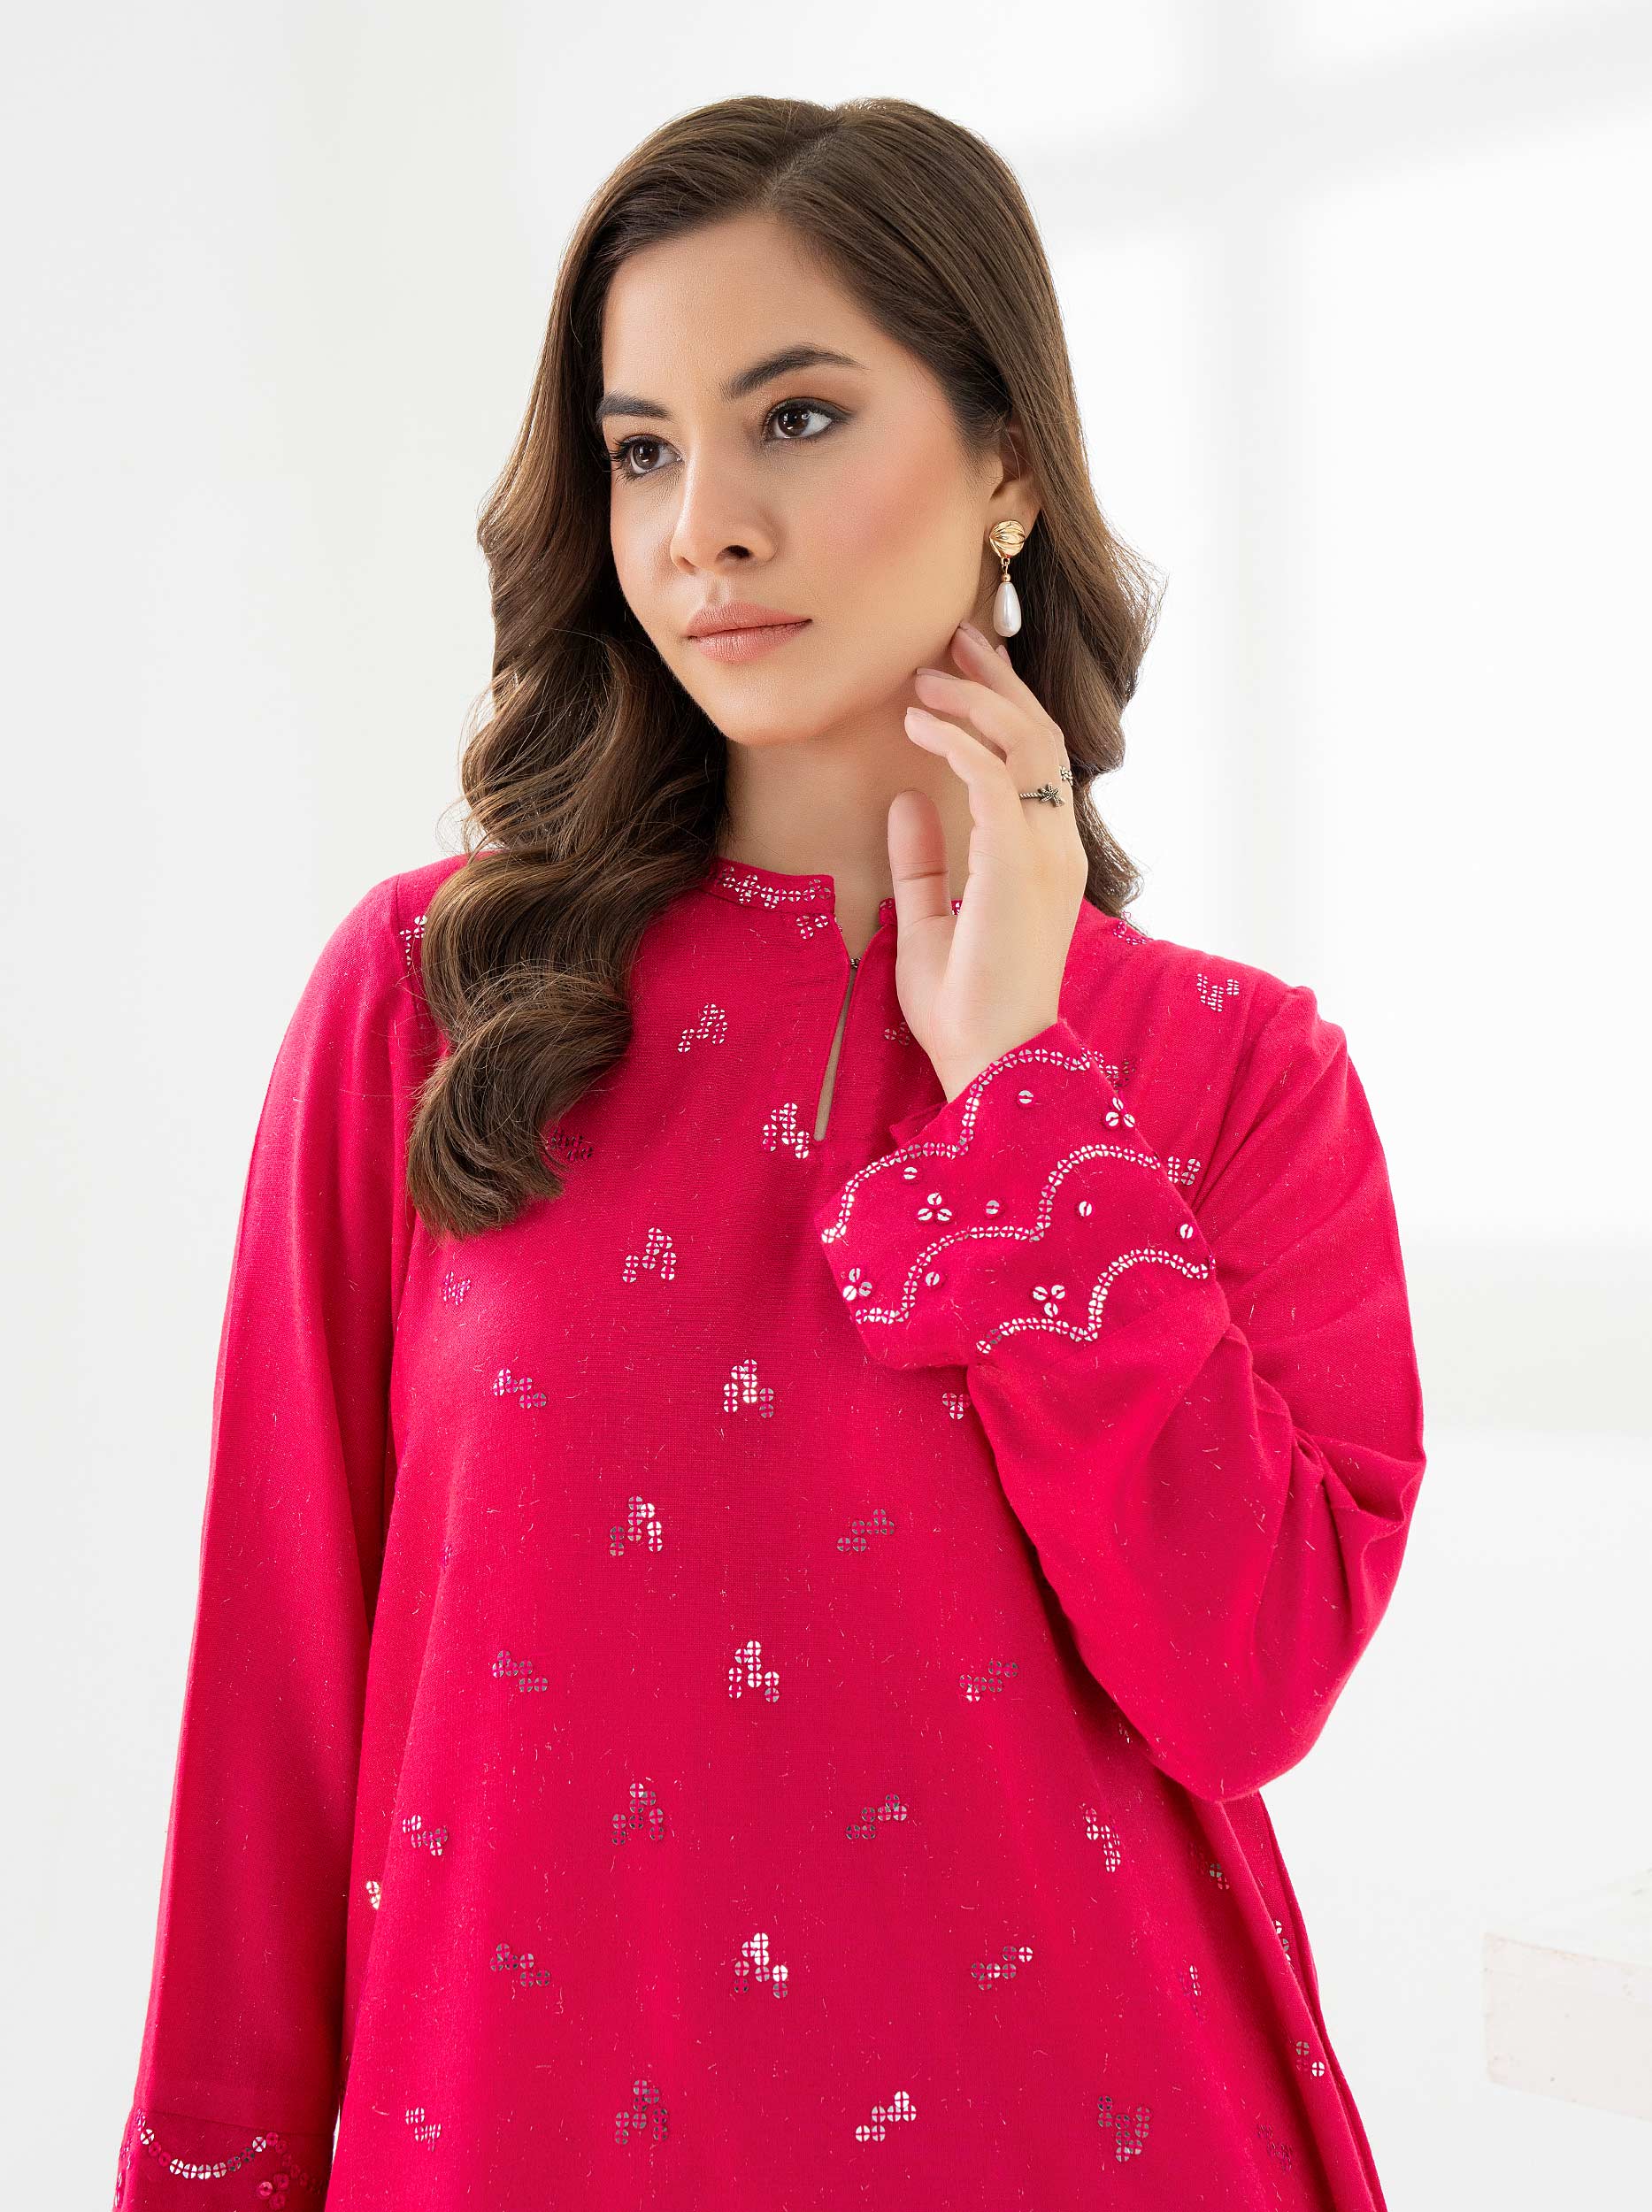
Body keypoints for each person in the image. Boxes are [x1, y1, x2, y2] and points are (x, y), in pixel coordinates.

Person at [113, 94, 1425, 2212]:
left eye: (794, 419)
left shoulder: (1228, 1073)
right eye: (642, 449)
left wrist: (1013, 1084)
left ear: (1008, 467)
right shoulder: (427, 1007)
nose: (701, 525)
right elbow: (272, 1718)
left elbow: (1245, 1680)